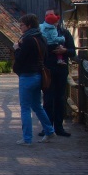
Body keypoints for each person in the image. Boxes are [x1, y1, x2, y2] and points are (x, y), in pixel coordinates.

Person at [13, 13, 56, 145]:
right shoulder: (42, 38)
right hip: (38, 75)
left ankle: (27, 138)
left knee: (25, 107)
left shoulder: (28, 40)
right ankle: (49, 130)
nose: (20, 27)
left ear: (29, 25)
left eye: (22, 25)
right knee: (37, 106)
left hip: (27, 76)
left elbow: (21, 58)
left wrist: (16, 49)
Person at [40, 8, 76, 138]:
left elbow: (73, 52)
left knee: (60, 98)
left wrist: (64, 50)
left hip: (61, 70)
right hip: (47, 71)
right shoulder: (42, 32)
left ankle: (59, 127)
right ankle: (47, 127)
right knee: (48, 99)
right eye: (46, 15)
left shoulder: (64, 33)